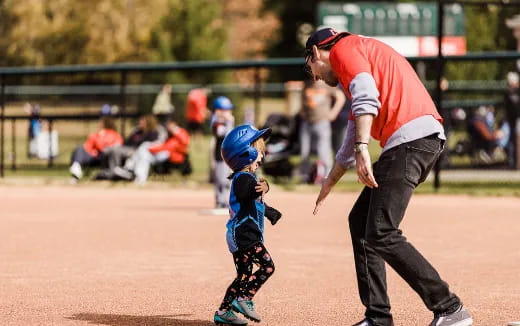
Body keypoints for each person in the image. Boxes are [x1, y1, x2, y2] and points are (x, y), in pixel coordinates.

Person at [305, 28, 472, 326]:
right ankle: (378, 318)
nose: (315, 77)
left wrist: (362, 149)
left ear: (317, 52)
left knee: (381, 230)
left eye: (311, 68)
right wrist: (331, 179)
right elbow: (356, 122)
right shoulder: (359, 55)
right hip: (416, 140)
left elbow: (366, 96)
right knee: (361, 222)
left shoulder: (345, 50)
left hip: (412, 141)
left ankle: (450, 308)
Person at [213, 124, 281, 326]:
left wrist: (271, 212)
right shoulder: (243, 178)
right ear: (247, 153)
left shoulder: (246, 178)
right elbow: (246, 195)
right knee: (267, 267)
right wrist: (263, 188)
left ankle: (223, 312)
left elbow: (254, 202)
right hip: (244, 236)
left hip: (241, 235)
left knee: (243, 274)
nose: (262, 157)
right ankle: (244, 298)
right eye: (259, 152)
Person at [299, 79, 345, 184]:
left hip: (322, 122)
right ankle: (305, 176)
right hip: (307, 122)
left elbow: (340, 97)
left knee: (323, 149)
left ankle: (327, 175)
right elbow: (303, 99)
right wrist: (302, 111)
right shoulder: (308, 84)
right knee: (304, 150)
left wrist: (334, 112)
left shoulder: (327, 85)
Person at [116, 119, 190, 185]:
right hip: (162, 153)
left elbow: (168, 147)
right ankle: (135, 173)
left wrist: (152, 149)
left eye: (170, 125)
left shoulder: (179, 134)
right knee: (144, 155)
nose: (168, 127)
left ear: (174, 124)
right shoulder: (170, 135)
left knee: (145, 148)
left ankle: (130, 169)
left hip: (170, 156)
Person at [69, 116, 123, 180]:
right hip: (94, 156)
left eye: (101, 122)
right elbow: (87, 146)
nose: (99, 124)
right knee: (79, 148)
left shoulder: (115, 135)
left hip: (105, 158)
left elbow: (114, 148)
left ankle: (76, 168)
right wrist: (92, 151)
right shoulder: (97, 134)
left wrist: (100, 139)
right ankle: (76, 166)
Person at [211, 96, 235, 208]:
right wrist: (229, 122)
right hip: (220, 156)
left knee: (228, 179)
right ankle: (220, 201)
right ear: (218, 111)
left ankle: (225, 200)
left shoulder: (225, 122)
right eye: (226, 110)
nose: (229, 113)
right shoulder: (216, 123)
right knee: (221, 179)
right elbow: (225, 134)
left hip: (229, 155)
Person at [504, 71, 520, 168]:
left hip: (515, 120)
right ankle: (514, 163)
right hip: (512, 120)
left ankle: (515, 163)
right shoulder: (508, 92)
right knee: (512, 141)